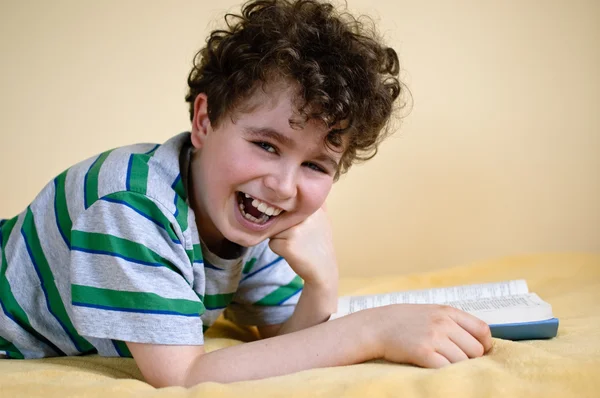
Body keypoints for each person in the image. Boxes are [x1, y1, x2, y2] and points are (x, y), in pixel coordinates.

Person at [0, 0, 492, 386]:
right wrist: (372, 330)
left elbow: (284, 344)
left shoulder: (247, 218)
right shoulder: (132, 208)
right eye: (265, 144)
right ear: (204, 120)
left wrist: (322, 285)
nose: (282, 185)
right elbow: (184, 377)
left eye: (316, 164)